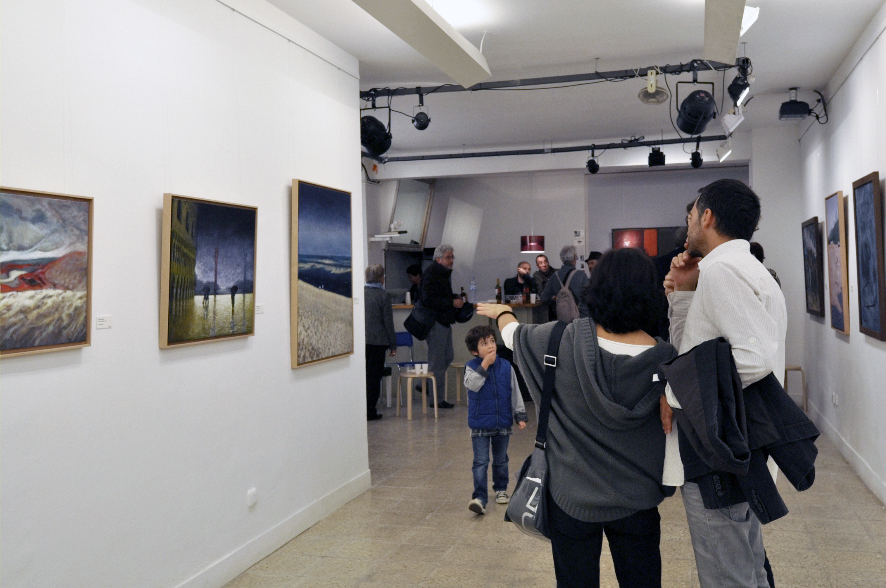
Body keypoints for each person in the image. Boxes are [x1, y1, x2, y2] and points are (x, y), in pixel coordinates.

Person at [477, 247, 678, 588]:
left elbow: (512, 335)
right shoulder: (668, 360)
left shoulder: (558, 340)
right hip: (638, 499)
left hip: (571, 497)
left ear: (595, 289)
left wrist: (503, 311)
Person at [662, 179, 787, 588]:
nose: (687, 224)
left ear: (707, 217)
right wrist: (683, 294)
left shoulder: (722, 270)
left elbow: (754, 358)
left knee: (728, 575)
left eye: (691, 215)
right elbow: (691, 348)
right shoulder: (742, 268)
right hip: (735, 439)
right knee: (747, 565)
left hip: (716, 447)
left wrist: (678, 391)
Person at [463, 325, 528, 515]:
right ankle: (479, 497)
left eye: (492, 341)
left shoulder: (506, 366)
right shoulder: (471, 367)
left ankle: (501, 489)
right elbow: (473, 385)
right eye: (484, 343)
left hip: (502, 423)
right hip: (479, 425)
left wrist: (520, 415)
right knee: (480, 462)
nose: (491, 346)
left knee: (501, 460)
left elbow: (515, 392)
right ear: (475, 351)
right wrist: (484, 365)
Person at [419, 245, 463, 409]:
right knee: (437, 361)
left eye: (452, 257)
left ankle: (425, 384)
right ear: (438, 259)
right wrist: (451, 302)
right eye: (448, 257)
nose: (451, 260)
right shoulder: (432, 274)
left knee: (448, 356)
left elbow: (439, 295)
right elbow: (428, 299)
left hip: (444, 321)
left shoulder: (442, 273)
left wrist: (454, 297)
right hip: (435, 322)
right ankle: (436, 399)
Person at [363, 264, 397, 421]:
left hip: (362, 343)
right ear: (381, 278)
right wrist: (393, 345)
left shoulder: (360, 293)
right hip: (378, 343)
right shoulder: (383, 296)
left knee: (363, 376)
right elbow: (388, 323)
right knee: (374, 378)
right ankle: (370, 410)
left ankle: (361, 409)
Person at [540, 245, 589, 318]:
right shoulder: (581, 275)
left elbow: (544, 298)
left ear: (562, 258)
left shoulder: (555, 276)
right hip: (580, 315)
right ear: (574, 257)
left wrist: (556, 300)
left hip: (562, 317)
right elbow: (588, 297)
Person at [533, 254, 558, 320]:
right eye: (540, 263)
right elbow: (541, 293)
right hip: (545, 307)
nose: (544, 265)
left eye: (545, 262)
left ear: (548, 262)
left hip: (558, 305)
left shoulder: (557, 273)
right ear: (537, 266)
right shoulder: (537, 275)